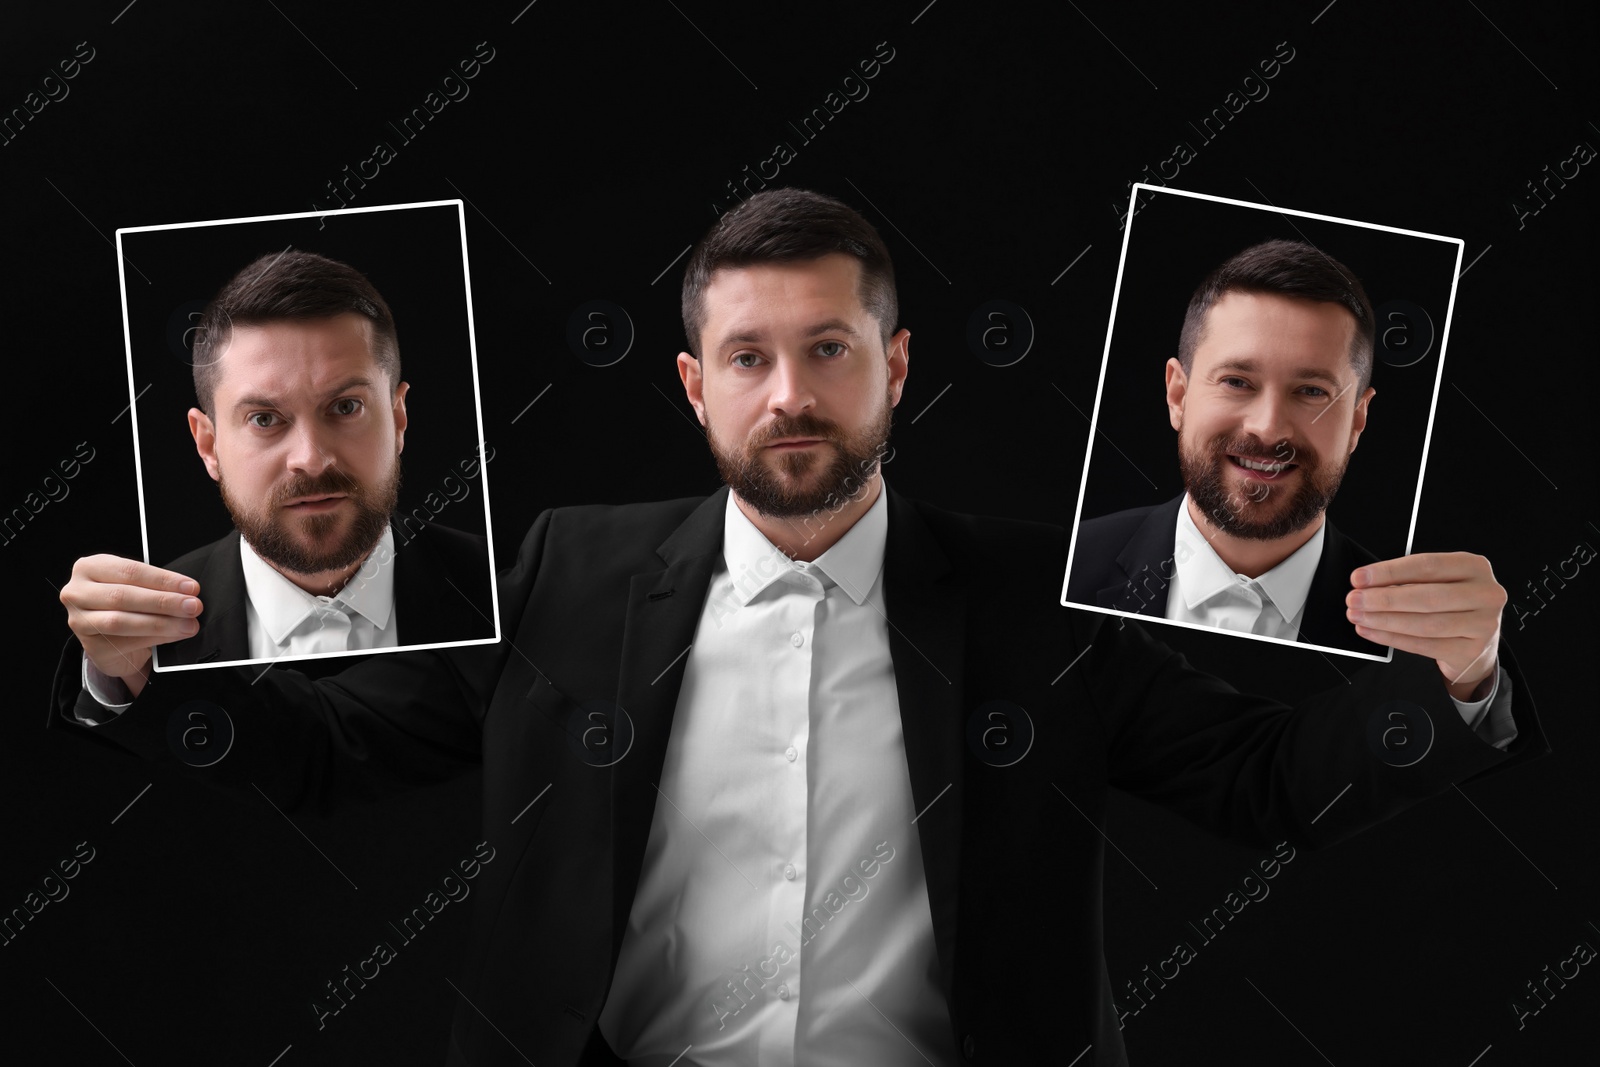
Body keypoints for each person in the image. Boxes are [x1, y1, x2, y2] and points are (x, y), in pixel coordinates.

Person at [54, 191, 1543, 1066]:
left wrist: (1461, 678)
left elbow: (1276, 779)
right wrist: (132, 681)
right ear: (694, 385)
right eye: (748, 356)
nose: (790, 394)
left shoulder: (1035, 600)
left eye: (828, 349)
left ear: (893, 368)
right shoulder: (569, 570)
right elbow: (336, 755)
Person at [87, 249, 493, 694]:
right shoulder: (148, 638)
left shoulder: (506, 590)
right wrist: (115, 675)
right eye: (264, 419)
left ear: (398, 418)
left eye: (345, 407)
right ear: (209, 445)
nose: (312, 458)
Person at [1066, 239, 1390, 655]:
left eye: (1311, 391)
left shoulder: (1414, 639)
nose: (1269, 429)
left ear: (1357, 421)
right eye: (1237, 382)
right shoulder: (1064, 568)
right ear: (1178, 396)